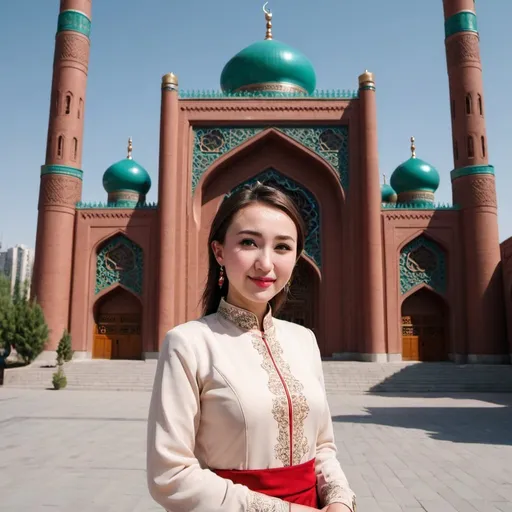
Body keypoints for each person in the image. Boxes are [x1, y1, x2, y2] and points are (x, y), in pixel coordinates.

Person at [146, 183, 356, 511]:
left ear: (297, 257)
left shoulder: (304, 341)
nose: (265, 263)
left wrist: (339, 499)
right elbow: (170, 474)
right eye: (248, 243)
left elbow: (323, 448)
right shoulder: (189, 344)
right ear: (219, 252)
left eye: (283, 247)